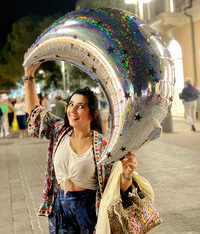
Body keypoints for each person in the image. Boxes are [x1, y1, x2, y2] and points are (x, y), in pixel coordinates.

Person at [24, 61, 153, 234]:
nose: (73, 110)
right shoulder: (59, 130)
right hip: (59, 207)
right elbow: (35, 113)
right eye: (71, 104)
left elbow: (117, 189)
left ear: (93, 113)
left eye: (81, 106)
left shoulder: (103, 146)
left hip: (89, 210)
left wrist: (127, 174)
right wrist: (29, 76)